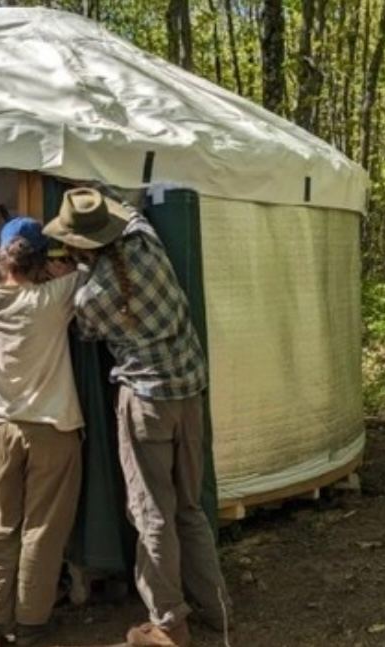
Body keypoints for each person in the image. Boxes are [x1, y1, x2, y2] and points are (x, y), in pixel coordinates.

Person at [43, 188, 231, 647]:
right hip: (189, 393)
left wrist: (73, 275)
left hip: (146, 404)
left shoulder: (91, 300)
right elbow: (130, 214)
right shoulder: (147, 240)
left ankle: (168, 623)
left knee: (152, 513)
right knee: (188, 508)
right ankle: (215, 606)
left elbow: (86, 332)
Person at [0, 217, 84, 647]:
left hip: (4, 429)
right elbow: (94, 270)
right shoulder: (53, 299)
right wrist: (65, 268)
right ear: (41, 261)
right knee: (43, 528)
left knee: (0, 526)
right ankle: (31, 621)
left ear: (2, 259)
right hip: (52, 430)